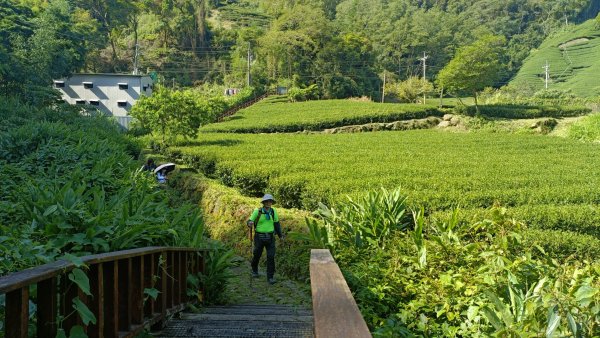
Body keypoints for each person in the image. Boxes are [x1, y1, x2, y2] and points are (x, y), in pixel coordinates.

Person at [247, 194, 284, 285]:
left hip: (271, 237)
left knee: (271, 257)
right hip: (259, 237)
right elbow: (249, 221)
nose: (268, 203)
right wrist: (250, 223)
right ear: (264, 202)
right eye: (267, 201)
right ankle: (254, 270)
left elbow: (277, 224)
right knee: (257, 255)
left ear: (272, 202)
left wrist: (280, 235)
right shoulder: (258, 211)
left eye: (270, 201)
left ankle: (270, 277)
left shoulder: (273, 212)